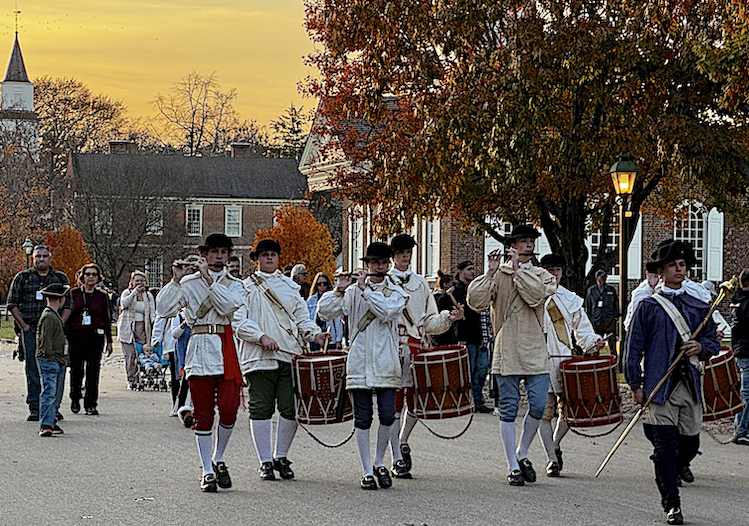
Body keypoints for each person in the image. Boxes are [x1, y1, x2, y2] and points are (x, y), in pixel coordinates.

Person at [624, 239, 719, 525]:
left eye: (682, 265)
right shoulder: (648, 307)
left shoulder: (699, 305)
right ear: (661, 271)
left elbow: (713, 341)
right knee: (664, 449)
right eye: (673, 265)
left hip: (689, 387)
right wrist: (636, 384)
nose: (679, 269)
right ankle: (672, 503)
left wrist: (700, 347)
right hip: (659, 387)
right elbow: (633, 348)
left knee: (689, 447)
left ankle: (670, 471)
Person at [467, 224, 556, 486]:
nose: (528, 245)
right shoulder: (499, 274)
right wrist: (490, 273)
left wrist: (517, 273)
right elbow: (476, 301)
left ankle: (523, 451)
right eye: (523, 241)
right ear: (513, 246)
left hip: (535, 348)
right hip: (506, 348)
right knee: (508, 408)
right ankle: (512, 465)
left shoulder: (542, 275)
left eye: (531, 241)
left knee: (539, 405)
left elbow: (536, 297)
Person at [156, 233, 245, 493]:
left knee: (229, 409)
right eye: (214, 252)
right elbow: (164, 308)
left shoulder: (235, 284)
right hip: (199, 349)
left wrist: (209, 281)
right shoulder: (188, 282)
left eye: (223, 252)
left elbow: (229, 308)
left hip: (225, 348)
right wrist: (175, 279)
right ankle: (207, 469)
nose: (219, 256)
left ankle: (218, 457)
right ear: (203, 255)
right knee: (203, 414)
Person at [234, 239, 328, 481]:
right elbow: (238, 322)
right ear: (256, 259)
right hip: (258, 358)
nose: (268, 258)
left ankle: (281, 456)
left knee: (290, 408)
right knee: (261, 409)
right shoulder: (244, 288)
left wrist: (315, 334)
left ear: (278, 258)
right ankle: (265, 461)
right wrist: (260, 336)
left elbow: (301, 319)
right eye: (264, 255)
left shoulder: (290, 288)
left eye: (273, 255)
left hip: (289, 356)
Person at [318, 242, 408, 490]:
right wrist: (339, 290)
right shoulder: (352, 291)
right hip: (358, 361)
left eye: (384, 263)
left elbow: (387, 312)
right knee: (363, 417)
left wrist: (365, 291)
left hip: (386, 361)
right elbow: (324, 312)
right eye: (375, 263)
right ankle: (367, 469)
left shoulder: (396, 290)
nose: (380, 267)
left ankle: (380, 461)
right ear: (366, 265)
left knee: (388, 415)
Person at [387, 234, 463, 479]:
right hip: (391, 348)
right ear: (393, 256)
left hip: (416, 348)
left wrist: (448, 318)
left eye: (408, 252)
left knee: (417, 402)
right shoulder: (385, 282)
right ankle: (395, 457)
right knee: (393, 405)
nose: (405, 256)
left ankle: (403, 440)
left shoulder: (420, 284)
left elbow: (429, 321)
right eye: (400, 253)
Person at [536, 254, 603, 476]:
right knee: (542, 413)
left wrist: (594, 341)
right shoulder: (532, 295)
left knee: (568, 412)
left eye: (557, 269)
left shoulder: (570, 299)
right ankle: (551, 458)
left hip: (563, 362)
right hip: (537, 361)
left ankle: (555, 443)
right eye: (550, 270)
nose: (554, 274)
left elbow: (582, 329)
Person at [7, 244, 71, 421]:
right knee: (33, 368)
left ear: (50, 258)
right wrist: (24, 326)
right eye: (38, 256)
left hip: (53, 330)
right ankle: (35, 406)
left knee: (57, 366)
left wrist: (59, 323)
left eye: (44, 256)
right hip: (31, 328)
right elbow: (12, 303)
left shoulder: (59, 278)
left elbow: (68, 305)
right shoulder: (23, 277)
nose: (41, 259)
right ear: (33, 258)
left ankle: (53, 407)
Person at [435, 260, 490, 411]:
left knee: (481, 371)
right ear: (460, 272)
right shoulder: (453, 293)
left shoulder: (475, 290)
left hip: (480, 336)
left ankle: (477, 401)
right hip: (464, 337)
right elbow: (443, 313)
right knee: (467, 373)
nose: (472, 272)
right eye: (469, 269)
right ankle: (469, 401)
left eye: (473, 269)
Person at [66, 263, 113, 416]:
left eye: (94, 274)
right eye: (88, 274)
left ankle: (91, 403)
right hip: (76, 335)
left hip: (95, 336)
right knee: (76, 369)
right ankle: (75, 398)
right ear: (83, 277)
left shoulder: (102, 296)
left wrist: (109, 340)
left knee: (93, 370)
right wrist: (66, 336)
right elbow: (68, 316)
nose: (91, 277)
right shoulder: (74, 294)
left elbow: (106, 318)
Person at [35, 283, 70, 437]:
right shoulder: (49, 317)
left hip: (57, 358)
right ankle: (45, 423)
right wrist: (50, 357)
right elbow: (46, 341)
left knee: (55, 391)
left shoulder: (52, 315)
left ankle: (51, 419)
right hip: (50, 359)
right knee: (49, 391)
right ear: (61, 299)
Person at [118, 270, 156, 390]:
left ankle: (144, 376)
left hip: (143, 328)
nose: (139, 283)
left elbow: (152, 312)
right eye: (137, 280)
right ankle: (131, 379)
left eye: (141, 281)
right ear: (132, 282)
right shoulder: (127, 292)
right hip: (128, 327)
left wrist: (155, 325)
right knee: (130, 356)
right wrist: (134, 292)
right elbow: (124, 304)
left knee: (143, 354)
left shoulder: (148, 296)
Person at [729, 268, 749, 446]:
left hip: (739, 349)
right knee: (747, 394)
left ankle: (742, 429)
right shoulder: (747, 303)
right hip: (747, 350)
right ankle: (741, 430)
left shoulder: (737, 301)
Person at [585, 269, 619, 354]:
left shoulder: (611, 289)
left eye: (605, 277)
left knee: (612, 341)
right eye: (601, 277)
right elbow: (588, 306)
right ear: (597, 278)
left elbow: (616, 303)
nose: (603, 279)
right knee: (596, 342)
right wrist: (589, 319)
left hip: (609, 319)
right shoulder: (591, 290)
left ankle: (613, 359)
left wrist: (615, 316)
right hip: (596, 320)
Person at [307, 272, 344, 351]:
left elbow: (338, 321)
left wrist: (338, 339)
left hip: (330, 334)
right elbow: (307, 318)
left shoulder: (333, 298)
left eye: (324, 283)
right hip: (315, 333)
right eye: (319, 284)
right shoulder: (311, 300)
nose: (322, 286)